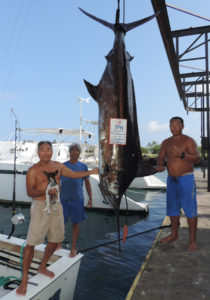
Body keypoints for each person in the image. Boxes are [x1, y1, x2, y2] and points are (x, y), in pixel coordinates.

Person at [16, 141, 98, 296]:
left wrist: (91, 172)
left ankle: (42, 266)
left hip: (56, 206)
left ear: (52, 151)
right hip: (40, 207)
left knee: (56, 240)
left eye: (48, 150)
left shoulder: (58, 166)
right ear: (38, 152)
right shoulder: (33, 171)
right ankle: (25, 278)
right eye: (42, 150)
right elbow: (30, 192)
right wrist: (45, 190)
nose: (46, 153)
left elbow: (74, 175)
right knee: (31, 243)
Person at [156, 117, 200, 252]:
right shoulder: (166, 142)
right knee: (173, 210)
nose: (173, 127)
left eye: (176, 125)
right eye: (171, 125)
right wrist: (159, 165)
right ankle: (174, 234)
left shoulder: (189, 141)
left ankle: (192, 241)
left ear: (182, 126)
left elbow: (197, 158)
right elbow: (160, 157)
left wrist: (181, 155)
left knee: (190, 210)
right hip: (171, 180)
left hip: (186, 179)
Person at [59, 143, 93, 257]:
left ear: (79, 153)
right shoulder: (62, 166)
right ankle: (58, 244)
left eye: (77, 151)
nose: (74, 152)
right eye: (72, 150)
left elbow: (87, 183)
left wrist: (90, 199)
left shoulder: (83, 166)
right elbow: (56, 182)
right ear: (69, 152)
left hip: (77, 199)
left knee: (75, 225)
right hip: (63, 199)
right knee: (60, 224)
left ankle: (73, 247)